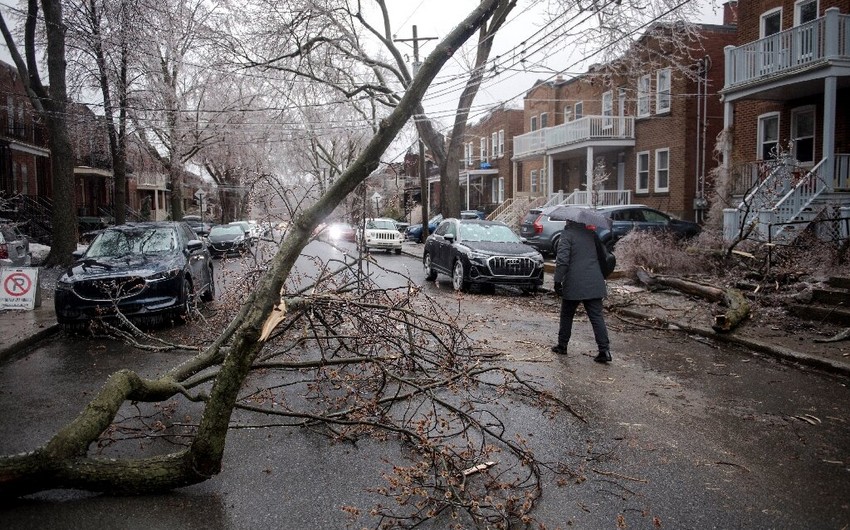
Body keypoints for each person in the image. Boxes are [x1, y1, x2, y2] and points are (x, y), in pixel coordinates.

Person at [551, 220, 611, 363]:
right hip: (595, 281)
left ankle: (562, 345)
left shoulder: (567, 235)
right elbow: (603, 256)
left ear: (569, 221)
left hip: (574, 282)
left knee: (567, 314)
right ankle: (605, 350)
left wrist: (557, 280)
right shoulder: (591, 234)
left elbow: (563, 261)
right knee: (597, 317)